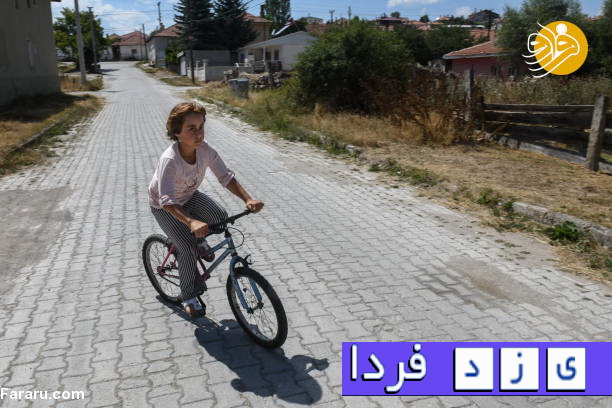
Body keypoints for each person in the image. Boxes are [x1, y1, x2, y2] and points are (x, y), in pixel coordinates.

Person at [148, 101, 263, 318]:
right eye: (191, 128)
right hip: (164, 206)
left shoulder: (204, 149)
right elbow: (167, 200)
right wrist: (191, 222)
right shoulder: (170, 160)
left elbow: (225, 177)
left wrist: (248, 199)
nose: (199, 133)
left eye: (201, 127)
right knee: (186, 247)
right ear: (177, 132)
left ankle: (199, 241)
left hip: (189, 197)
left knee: (219, 217)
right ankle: (189, 297)